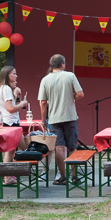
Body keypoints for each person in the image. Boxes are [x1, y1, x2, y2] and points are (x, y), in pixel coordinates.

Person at [38, 54, 84, 185]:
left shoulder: (45, 80)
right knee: (72, 147)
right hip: (70, 116)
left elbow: (43, 102)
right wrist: (72, 97)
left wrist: (43, 120)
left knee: (59, 147)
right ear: (62, 64)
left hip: (54, 118)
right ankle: (74, 176)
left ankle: (62, 177)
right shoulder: (70, 76)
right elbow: (80, 94)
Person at [0, 66, 29, 184]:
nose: (16, 76)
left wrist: (15, 96)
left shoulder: (3, 88)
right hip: (10, 122)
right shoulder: (6, 89)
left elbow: (9, 106)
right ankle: (8, 176)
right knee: (17, 148)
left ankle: (9, 175)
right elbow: (10, 108)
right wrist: (23, 104)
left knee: (13, 149)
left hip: (8, 121)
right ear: (7, 75)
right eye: (14, 74)